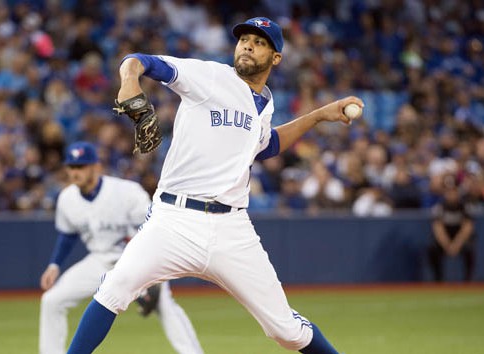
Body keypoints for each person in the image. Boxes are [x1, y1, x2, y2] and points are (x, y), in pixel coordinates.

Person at [66, 17, 363, 354]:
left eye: (260, 41)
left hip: (231, 229)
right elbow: (140, 60)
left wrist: (319, 115)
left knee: (287, 331)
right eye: (244, 39)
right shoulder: (210, 76)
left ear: (276, 58)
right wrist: (129, 79)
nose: (248, 44)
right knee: (114, 289)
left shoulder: (264, 104)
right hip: (173, 220)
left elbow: (267, 146)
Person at [39, 142, 203, 354]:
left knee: (164, 304)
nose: (75, 172)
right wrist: (54, 264)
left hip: (135, 260)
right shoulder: (67, 199)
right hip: (99, 260)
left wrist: (152, 265)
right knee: (52, 300)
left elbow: (154, 223)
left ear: (95, 167)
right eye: (72, 167)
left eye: (81, 166)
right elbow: (67, 235)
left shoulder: (125, 191)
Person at [427, 175, 476, 282]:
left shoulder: (464, 206)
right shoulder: (440, 207)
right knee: (432, 249)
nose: (451, 194)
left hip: (460, 239)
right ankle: (438, 280)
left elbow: (467, 228)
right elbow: (438, 228)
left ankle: (468, 281)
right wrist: (448, 245)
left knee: (469, 249)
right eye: (449, 191)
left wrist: (456, 244)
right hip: (446, 239)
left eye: (454, 191)